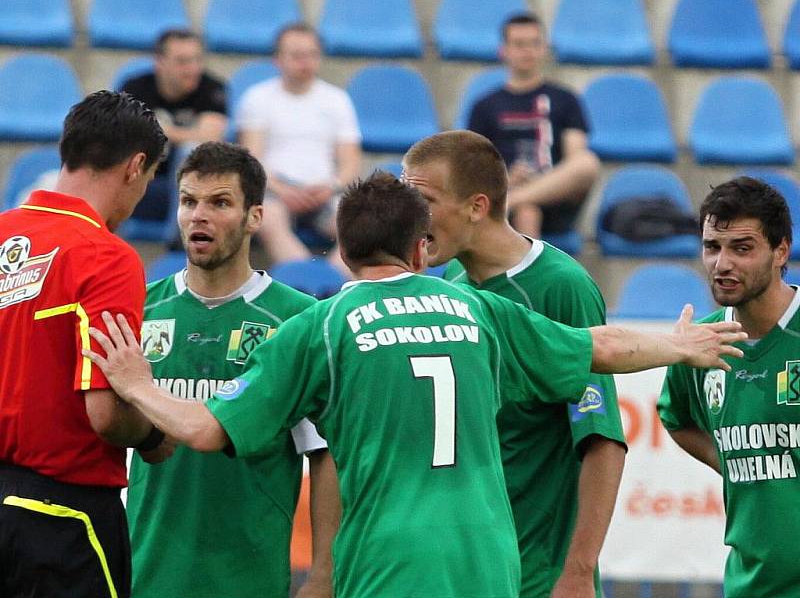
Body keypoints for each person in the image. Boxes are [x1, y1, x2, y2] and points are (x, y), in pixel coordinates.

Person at [85, 172, 745, 598]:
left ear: (342, 252)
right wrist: (676, 344)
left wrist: (138, 386)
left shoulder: (320, 327)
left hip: (390, 561)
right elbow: (598, 346)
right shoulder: (478, 311)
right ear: (422, 249)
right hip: (487, 559)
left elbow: (203, 430)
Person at [403, 129, 625, 598]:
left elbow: (601, 440)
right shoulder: (452, 284)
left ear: (477, 207)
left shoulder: (560, 286)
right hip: (467, 568)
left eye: (422, 200)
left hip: (538, 573)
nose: (409, 216)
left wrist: (579, 573)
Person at [126, 142, 338, 597]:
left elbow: (324, 456)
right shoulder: (140, 308)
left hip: (250, 576)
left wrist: (323, 574)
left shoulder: (299, 320)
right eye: (188, 201)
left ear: (255, 217)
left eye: (220, 203)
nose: (198, 216)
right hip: (148, 571)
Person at [0, 90, 168, 598]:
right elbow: (105, 414)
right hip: (63, 520)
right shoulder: (106, 257)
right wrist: (156, 435)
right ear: (136, 166)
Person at [658, 177, 800, 598]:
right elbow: (676, 419)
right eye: (712, 247)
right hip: (750, 585)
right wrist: (740, 463)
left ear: (780, 251)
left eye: (742, 248)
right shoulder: (701, 343)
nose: (722, 264)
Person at [237, 22, 362, 264]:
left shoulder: (337, 100)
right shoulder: (257, 98)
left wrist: (331, 187)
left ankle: (333, 285)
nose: (305, 62)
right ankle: (304, 282)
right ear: (277, 59)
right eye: (296, 55)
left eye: (312, 55)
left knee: (359, 225)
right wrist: (283, 190)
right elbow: (252, 159)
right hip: (274, 191)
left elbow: (350, 161)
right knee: (268, 217)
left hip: (325, 191)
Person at [468, 13, 599, 240]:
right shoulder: (484, 106)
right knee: (527, 211)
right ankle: (533, 273)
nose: (527, 51)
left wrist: (537, 183)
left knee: (587, 163)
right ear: (504, 50)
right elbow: (475, 167)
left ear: (544, 48)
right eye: (519, 44)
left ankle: (514, 200)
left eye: (534, 43)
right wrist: (507, 179)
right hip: (504, 192)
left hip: (554, 196)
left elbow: (576, 158)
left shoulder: (566, 99)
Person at [121, 28, 227, 235]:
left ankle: (181, 235)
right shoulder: (135, 88)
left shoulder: (211, 88)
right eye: (183, 61)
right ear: (159, 62)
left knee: (193, 150)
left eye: (197, 60)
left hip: (192, 191)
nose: (193, 69)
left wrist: (155, 129)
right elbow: (122, 136)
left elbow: (210, 137)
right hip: (140, 182)